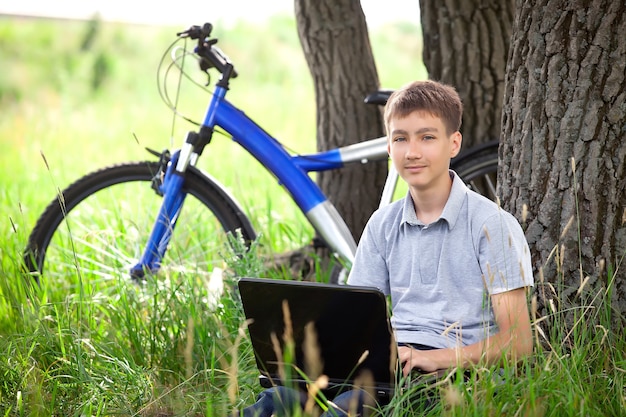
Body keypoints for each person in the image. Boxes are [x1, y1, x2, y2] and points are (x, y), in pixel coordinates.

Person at [238, 80, 534, 416]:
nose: (412, 152)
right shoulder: (383, 223)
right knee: (279, 400)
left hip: (455, 372)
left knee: (349, 407)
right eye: (400, 138)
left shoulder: (491, 224)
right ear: (389, 148)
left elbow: (518, 343)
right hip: (389, 361)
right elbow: (355, 320)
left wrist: (430, 358)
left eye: (427, 137)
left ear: (454, 143)